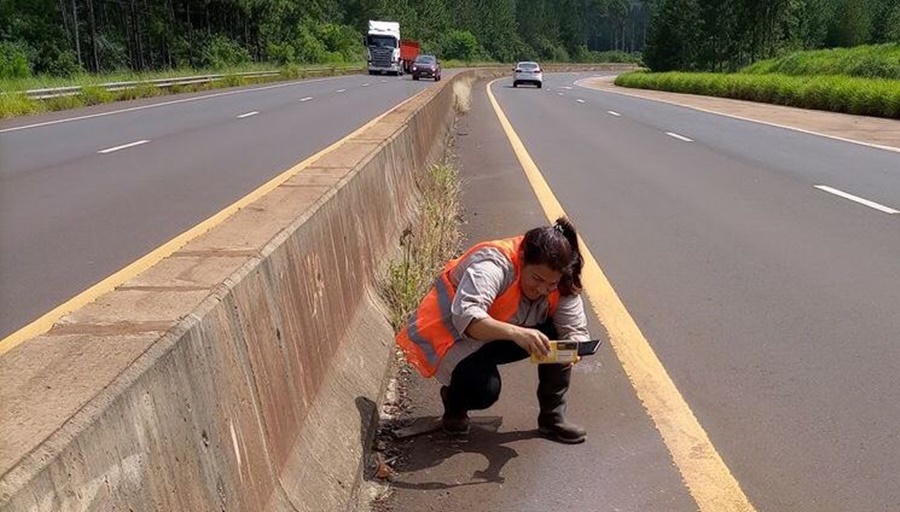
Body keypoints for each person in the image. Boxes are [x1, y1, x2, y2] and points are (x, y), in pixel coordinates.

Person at [395, 217, 590, 444]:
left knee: (560, 342)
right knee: (485, 390)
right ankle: (454, 404)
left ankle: (552, 417)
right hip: (453, 338)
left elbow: (574, 328)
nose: (543, 289)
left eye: (551, 284)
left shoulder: (562, 279)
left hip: (504, 334)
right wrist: (518, 333)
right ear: (523, 259)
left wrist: (574, 348)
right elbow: (468, 319)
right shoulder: (492, 265)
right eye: (537, 279)